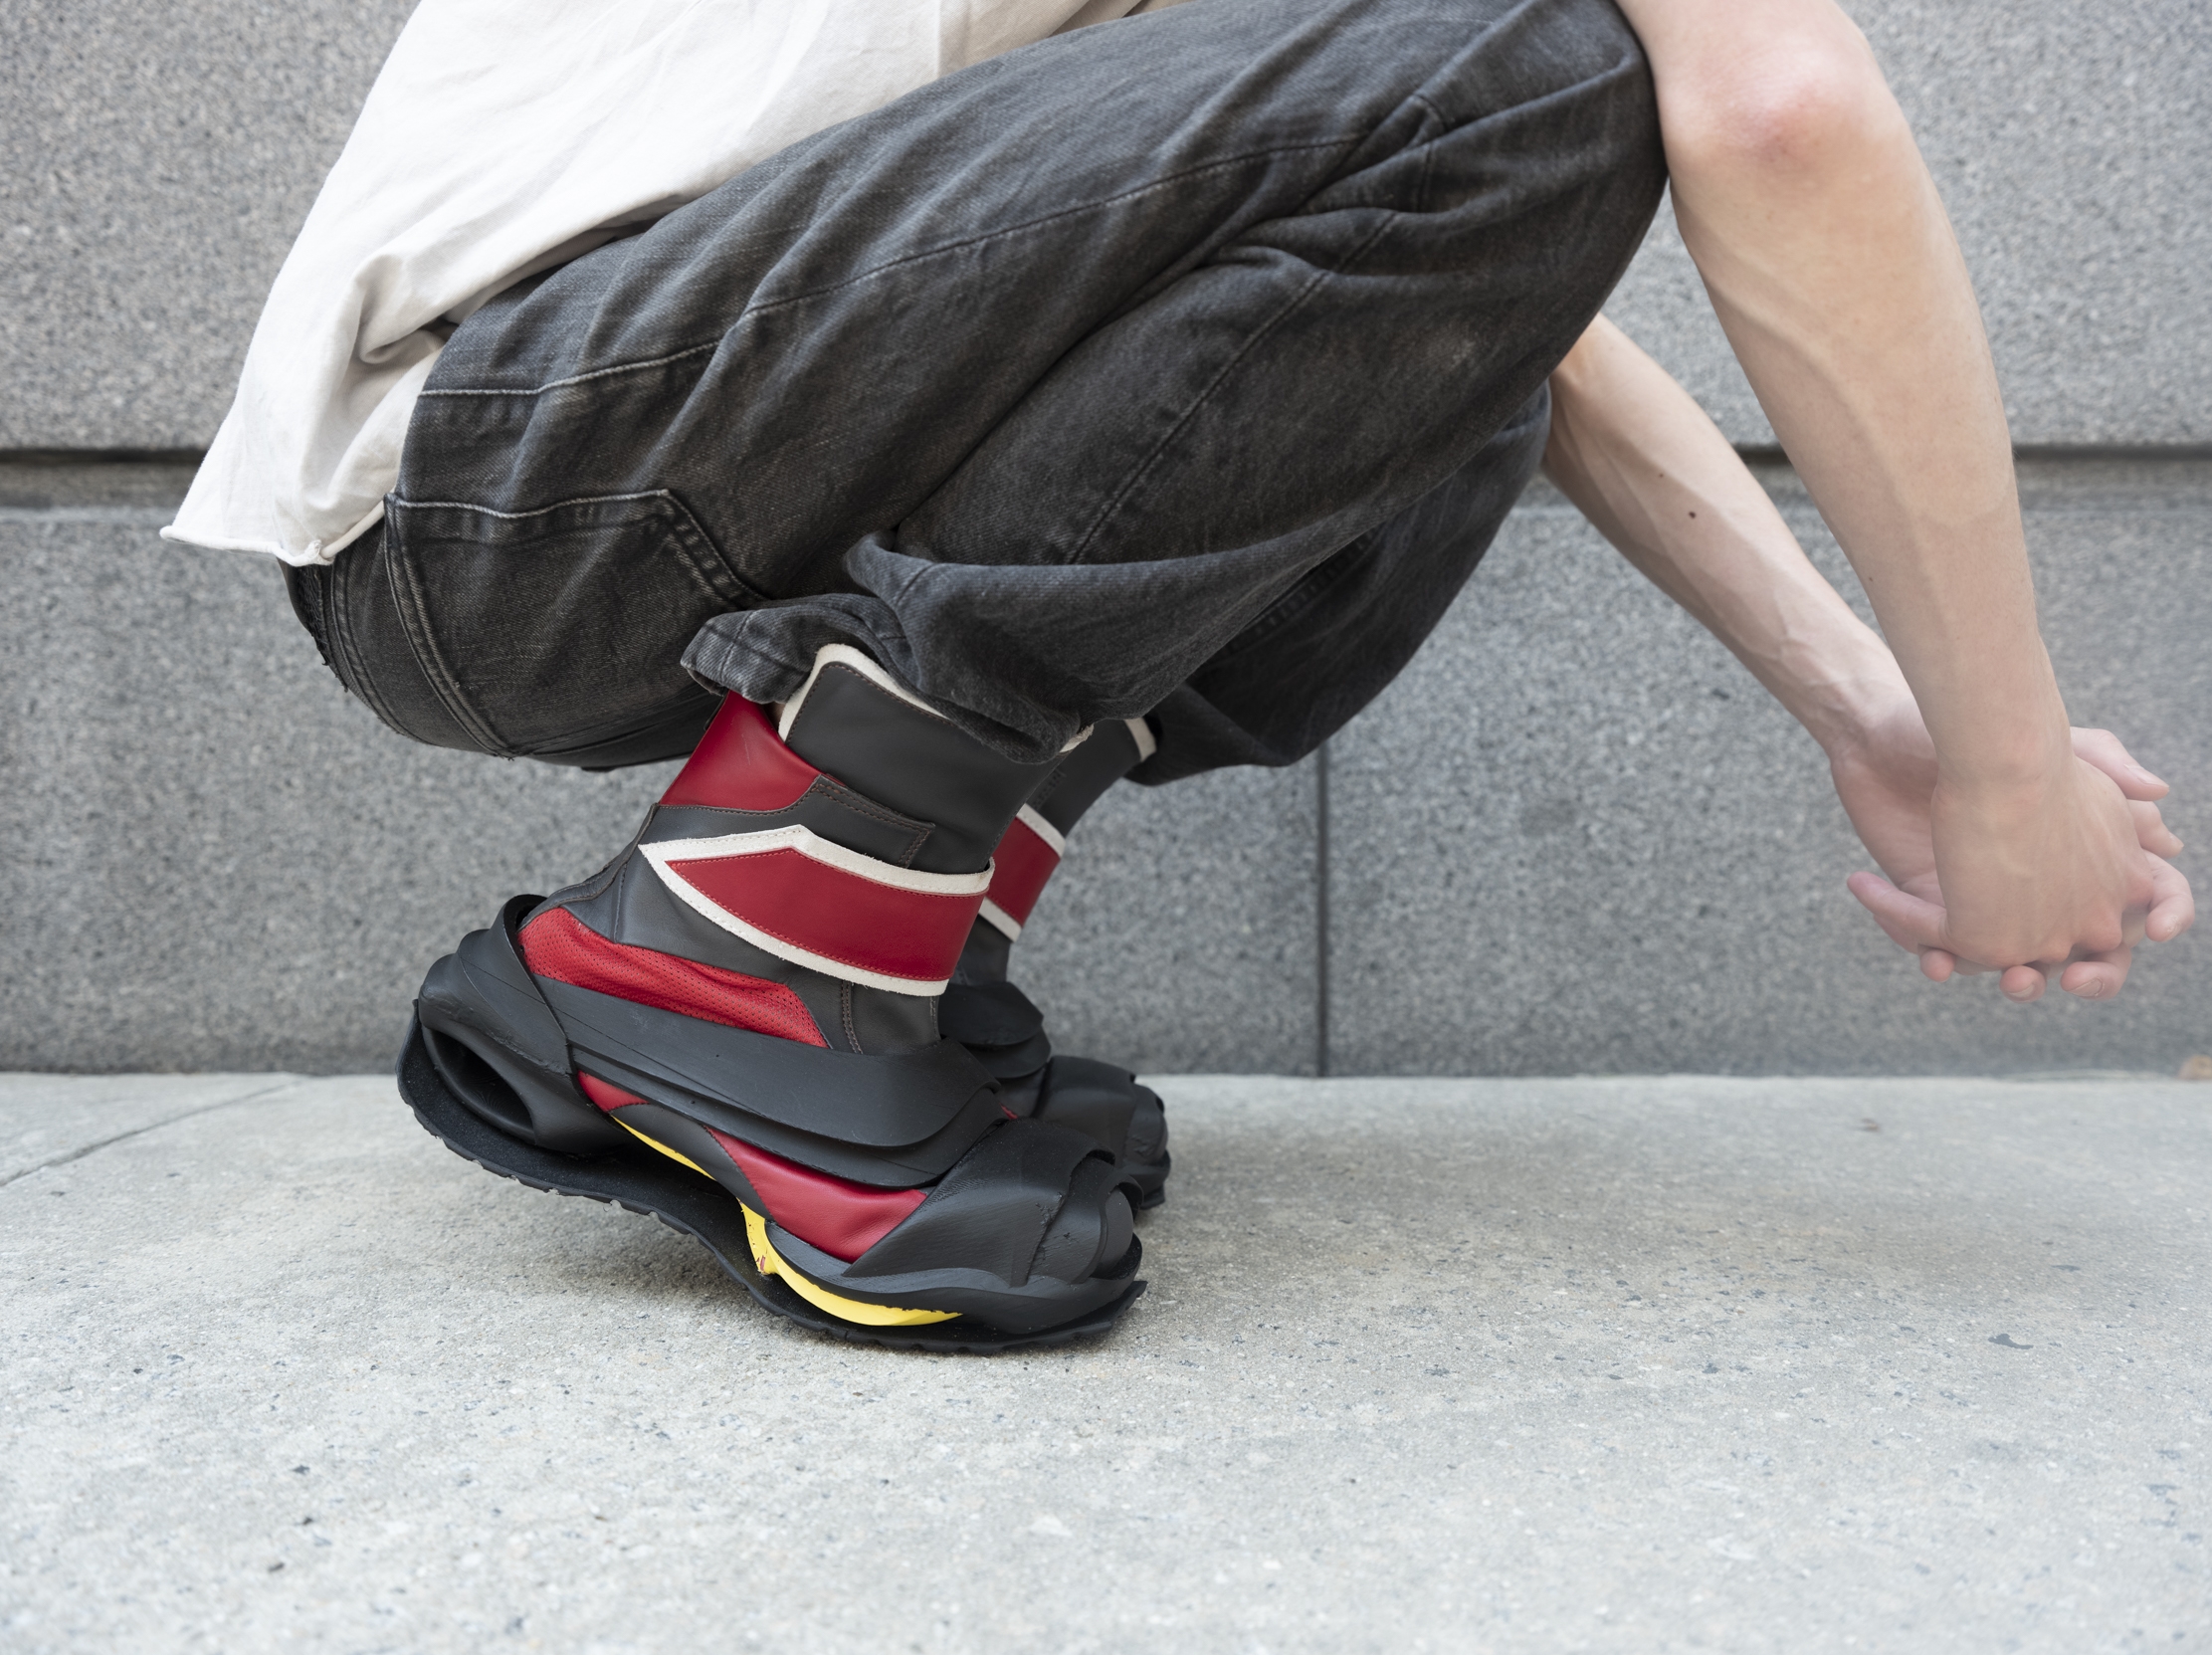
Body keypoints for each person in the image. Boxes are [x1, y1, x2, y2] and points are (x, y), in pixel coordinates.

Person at [166, 0, 2193, 1349]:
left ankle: (866, 926)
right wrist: (2005, 771)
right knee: (1539, 67)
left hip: (603, 470)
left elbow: (1488, 293)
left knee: (1465, 336)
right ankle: (740, 948)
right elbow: (1769, 103)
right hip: (504, 462)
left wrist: (1872, 709)